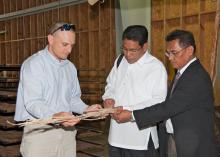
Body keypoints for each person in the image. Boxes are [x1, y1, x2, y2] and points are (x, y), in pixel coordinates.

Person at [114, 29, 219, 157]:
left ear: (189, 50)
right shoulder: (182, 72)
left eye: (174, 53)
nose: (170, 58)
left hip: (193, 144)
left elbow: (169, 107)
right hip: (177, 139)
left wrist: (132, 115)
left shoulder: (196, 77)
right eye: (168, 53)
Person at [14, 22, 101, 157]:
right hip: (40, 133)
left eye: (72, 45)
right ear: (50, 39)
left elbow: (72, 98)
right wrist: (55, 116)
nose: (69, 50)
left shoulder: (70, 68)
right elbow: (33, 103)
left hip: (67, 134)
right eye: (65, 44)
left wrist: (85, 109)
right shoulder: (34, 65)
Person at [102, 25, 167, 157]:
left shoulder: (156, 67)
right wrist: (108, 98)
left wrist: (129, 111)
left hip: (140, 140)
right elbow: (111, 85)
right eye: (124, 49)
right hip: (116, 137)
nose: (128, 54)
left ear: (144, 47)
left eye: (133, 50)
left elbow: (158, 102)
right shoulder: (120, 61)